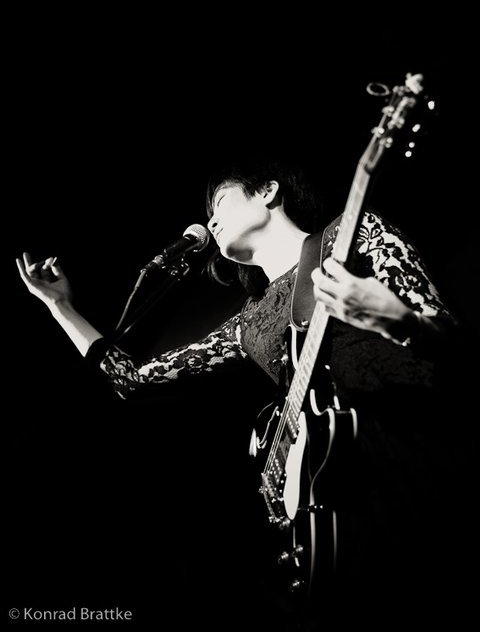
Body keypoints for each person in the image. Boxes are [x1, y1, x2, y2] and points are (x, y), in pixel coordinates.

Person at [16, 159, 471, 629]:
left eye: (220, 203)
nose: (211, 221)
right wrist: (60, 306)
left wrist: (394, 319)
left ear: (268, 191)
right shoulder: (249, 321)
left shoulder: (353, 233)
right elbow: (131, 379)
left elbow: (450, 337)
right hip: (341, 499)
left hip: (413, 444)